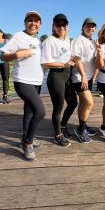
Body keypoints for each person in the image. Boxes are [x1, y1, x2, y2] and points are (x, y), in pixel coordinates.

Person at [0, 10, 45, 161]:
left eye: (36, 21)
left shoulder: (39, 41)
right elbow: (3, 55)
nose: (33, 23)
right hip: (22, 81)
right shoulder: (18, 36)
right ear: (25, 23)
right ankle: (28, 143)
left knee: (30, 112)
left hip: (37, 81)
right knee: (40, 111)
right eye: (30, 20)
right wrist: (17, 55)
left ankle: (25, 137)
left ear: (40, 25)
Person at [41, 14, 75, 146]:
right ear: (53, 27)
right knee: (58, 107)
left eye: (64, 25)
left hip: (67, 75)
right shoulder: (49, 40)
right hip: (56, 76)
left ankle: (63, 125)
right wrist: (63, 65)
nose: (62, 27)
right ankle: (57, 135)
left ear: (67, 27)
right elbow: (45, 62)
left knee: (72, 103)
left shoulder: (66, 40)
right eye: (58, 25)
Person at [69, 18, 98, 143]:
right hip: (79, 77)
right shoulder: (78, 40)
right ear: (83, 27)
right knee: (89, 102)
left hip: (89, 77)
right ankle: (80, 130)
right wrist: (84, 76)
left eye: (93, 26)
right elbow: (76, 58)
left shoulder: (92, 41)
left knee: (83, 103)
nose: (90, 28)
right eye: (88, 26)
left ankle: (83, 126)